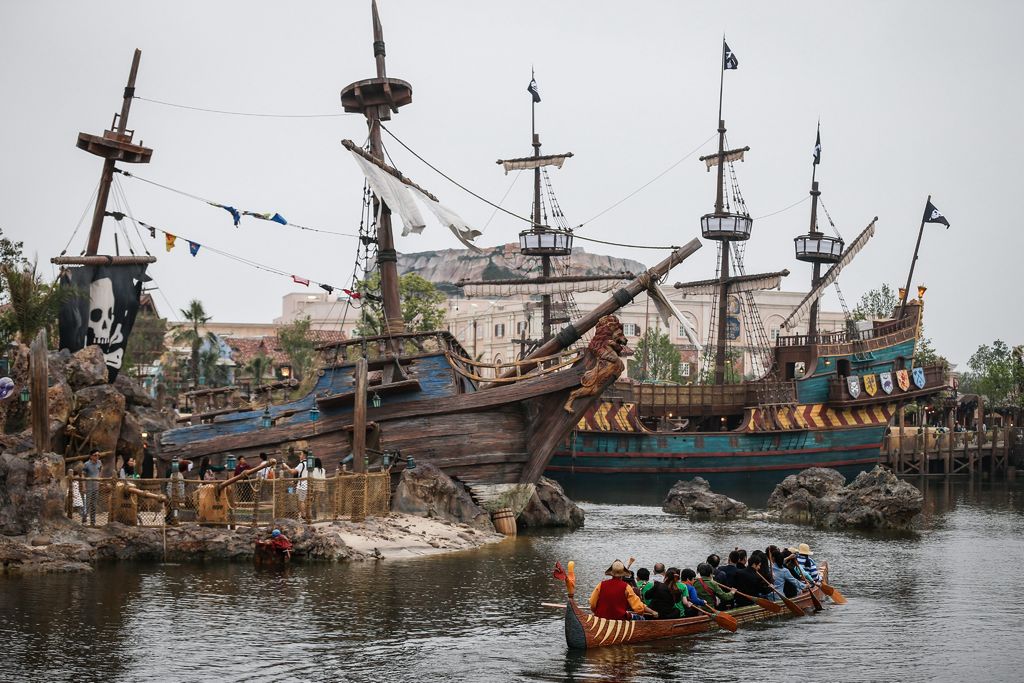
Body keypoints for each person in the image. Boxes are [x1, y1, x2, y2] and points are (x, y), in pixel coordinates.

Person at [589, 559, 658, 621]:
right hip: (620, 618)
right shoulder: (626, 587)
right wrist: (652, 612)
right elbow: (638, 607)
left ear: (611, 573)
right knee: (642, 619)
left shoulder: (601, 585)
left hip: (600, 618)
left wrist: (597, 612)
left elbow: (592, 604)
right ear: (623, 574)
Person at [81, 449, 102, 525]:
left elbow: (100, 471)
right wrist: (84, 486)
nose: (97, 456)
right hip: (88, 487)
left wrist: (99, 481)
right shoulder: (86, 464)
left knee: (94, 504)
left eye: (98, 455)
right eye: (95, 455)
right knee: (86, 504)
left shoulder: (99, 463)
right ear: (91, 456)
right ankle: (84, 521)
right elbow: (83, 475)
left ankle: (93, 522)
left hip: (96, 487)